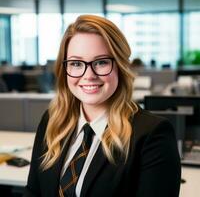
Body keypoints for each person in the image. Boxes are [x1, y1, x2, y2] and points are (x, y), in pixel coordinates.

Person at [24, 15, 181, 197]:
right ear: (64, 69)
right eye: (76, 63)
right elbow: (33, 192)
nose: (88, 75)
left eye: (101, 62)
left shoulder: (152, 135)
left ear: (120, 67)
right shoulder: (53, 121)